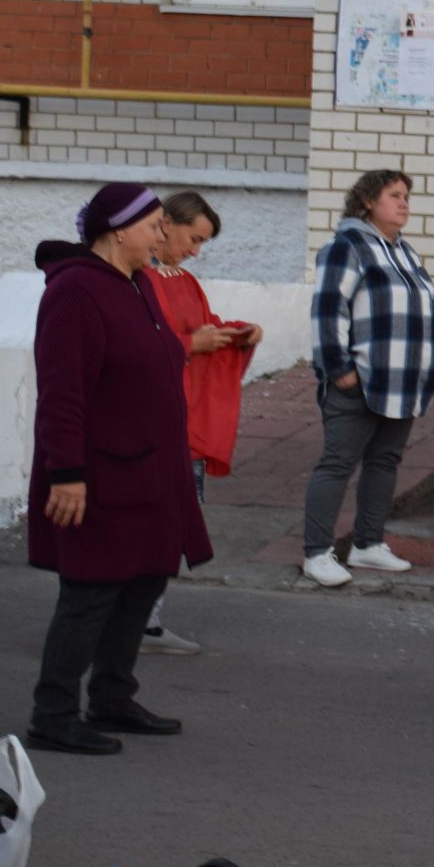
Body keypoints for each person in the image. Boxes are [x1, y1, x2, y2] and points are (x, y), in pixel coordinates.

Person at [26, 183, 212, 756]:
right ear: (117, 230)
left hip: (151, 469)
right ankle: (52, 714)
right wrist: (66, 473)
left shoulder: (136, 284)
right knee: (90, 591)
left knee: (143, 580)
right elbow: (62, 391)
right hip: (100, 472)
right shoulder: (76, 291)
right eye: (154, 226)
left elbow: (152, 358)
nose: (163, 235)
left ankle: (112, 697)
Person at [301, 169, 434, 589]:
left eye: (406, 197)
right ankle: (317, 553)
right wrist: (338, 368)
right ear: (367, 202)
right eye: (394, 196)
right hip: (359, 380)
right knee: (337, 463)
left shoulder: (405, 252)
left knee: (384, 462)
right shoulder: (347, 246)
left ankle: (368, 543)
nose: (404, 204)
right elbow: (328, 309)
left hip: (403, 383)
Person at [140, 191, 265, 655]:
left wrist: (237, 333)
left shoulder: (185, 280)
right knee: (147, 527)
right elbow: (143, 344)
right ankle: (124, 623)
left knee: (173, 528)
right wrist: (195, 342)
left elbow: (204, 325)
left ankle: (146, 621)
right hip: (154, 422)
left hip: (185, 420)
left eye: (201, 244)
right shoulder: (139, 278)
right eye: (193, 239)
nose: (195, 251)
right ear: (166, 223)